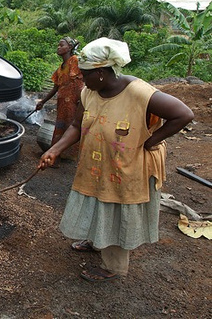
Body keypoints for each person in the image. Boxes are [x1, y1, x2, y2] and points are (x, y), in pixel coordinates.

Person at [37, 37, 194, 282]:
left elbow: (184, 114)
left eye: (85, 74)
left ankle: (114, 266)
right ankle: (98, 241)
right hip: (98, 162)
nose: (82, 79)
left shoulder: (139, 92)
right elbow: (77, 125)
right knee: (96, 200)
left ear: (100, 72)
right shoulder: (89, 92)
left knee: (116, 209)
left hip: (126, 166)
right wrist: (55, 149)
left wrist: (151, 141)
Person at [36, 36, 84, 162]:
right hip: (62, 104)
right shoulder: (61, 68)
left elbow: (80, 84)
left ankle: (67, 156)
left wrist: (81, 102)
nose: (58, 47)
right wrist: (42, 102)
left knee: (72, 128)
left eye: (61, 45)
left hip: (74, 102)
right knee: (60, 127)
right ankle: (58, 155)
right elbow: (55, 88)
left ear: (70, 47)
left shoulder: (74, 61)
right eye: (58, 45)